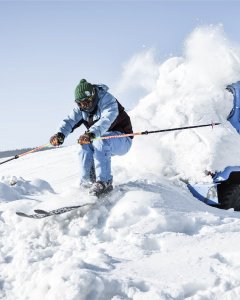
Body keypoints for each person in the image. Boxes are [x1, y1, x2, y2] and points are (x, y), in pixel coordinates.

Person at [50, 79, 133, 196]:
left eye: (86, 102)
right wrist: (60, 134)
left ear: (93, 97)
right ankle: (87, 182)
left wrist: (91, 133)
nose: (84, 106)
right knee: (85, 144)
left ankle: (105, 182)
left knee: (101, 141)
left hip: (123, 138)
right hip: (99, 139)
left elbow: (106, 119)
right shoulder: (81, 109)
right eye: (80, 104)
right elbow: (69, 121)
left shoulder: (108, 101)